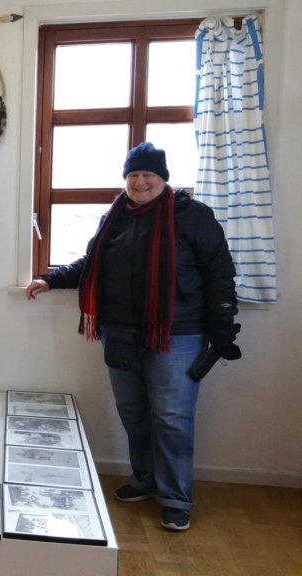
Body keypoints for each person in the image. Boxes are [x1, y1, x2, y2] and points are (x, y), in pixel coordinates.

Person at [25, 142, 241, 531]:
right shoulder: (114, 218)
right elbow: (92, 263)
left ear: (163, 178)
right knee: (133, 411)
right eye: (133, 175)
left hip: (177, 333)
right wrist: (51, 279)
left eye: (148, 174)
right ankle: (145, 480)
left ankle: (175, 498)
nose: (140, 181)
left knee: (172, 417)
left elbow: (220, 271)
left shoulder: (192, 215)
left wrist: (223, 322)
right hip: (120, 330)